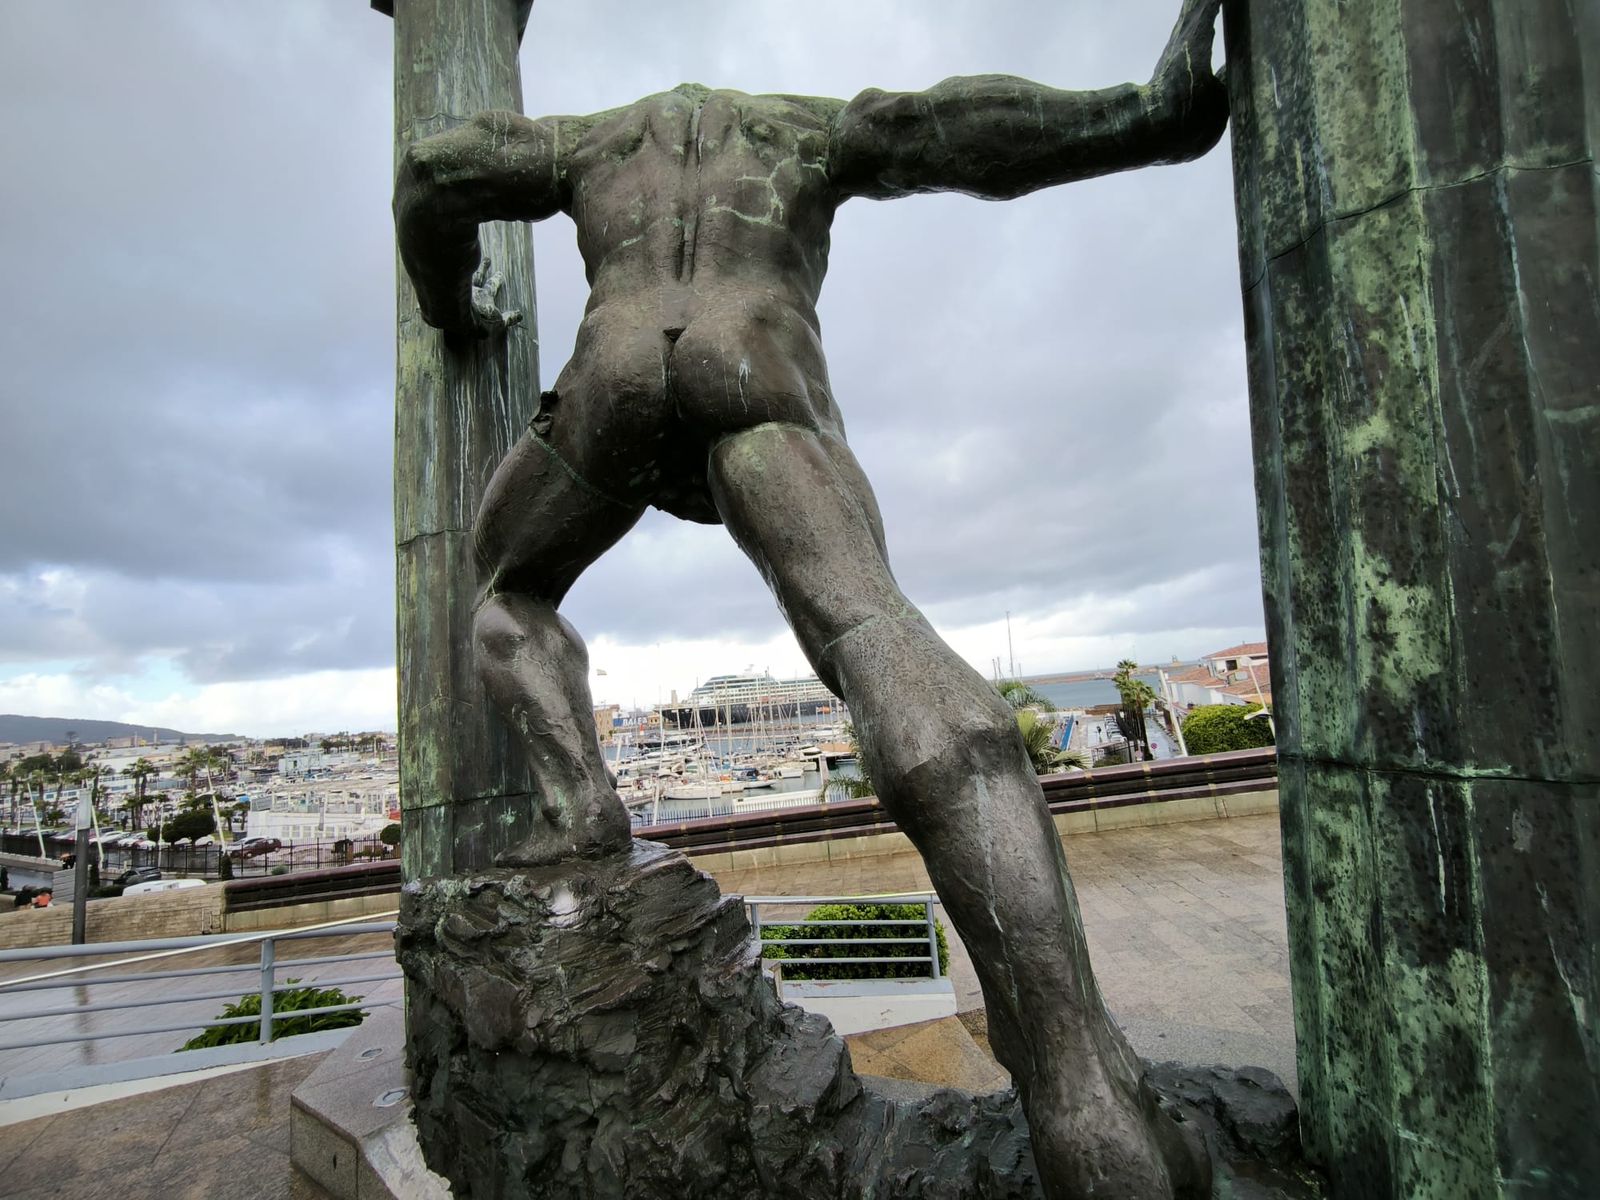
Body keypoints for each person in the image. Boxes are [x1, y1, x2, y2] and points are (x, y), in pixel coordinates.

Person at [394, 3, 1226, 1196]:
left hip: (608, 377)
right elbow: (944, 128)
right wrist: (1136, 121)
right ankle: (1082, 1105)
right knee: (877, 640)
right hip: (751, 362)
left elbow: (434, 172)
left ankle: (580, 809)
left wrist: (453, 304)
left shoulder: (591, 143)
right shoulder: (796, 130)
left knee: (506, 592)